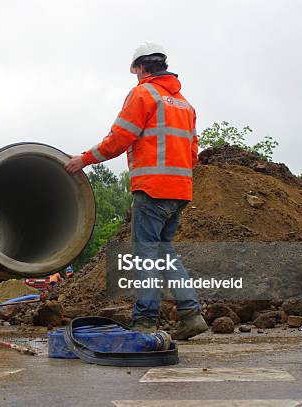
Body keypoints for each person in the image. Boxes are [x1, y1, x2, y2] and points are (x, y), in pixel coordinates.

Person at [64, 42, 207, 340]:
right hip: (180, 192)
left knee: (145, 257)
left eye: (135, 71)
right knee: (164, 253)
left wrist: (85, 159)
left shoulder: (144, 94)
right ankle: (191, 315)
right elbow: (193, 153)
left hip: (153, 190)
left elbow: (120, 138)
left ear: (141, 68)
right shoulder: (185, 106)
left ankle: (144, 320)